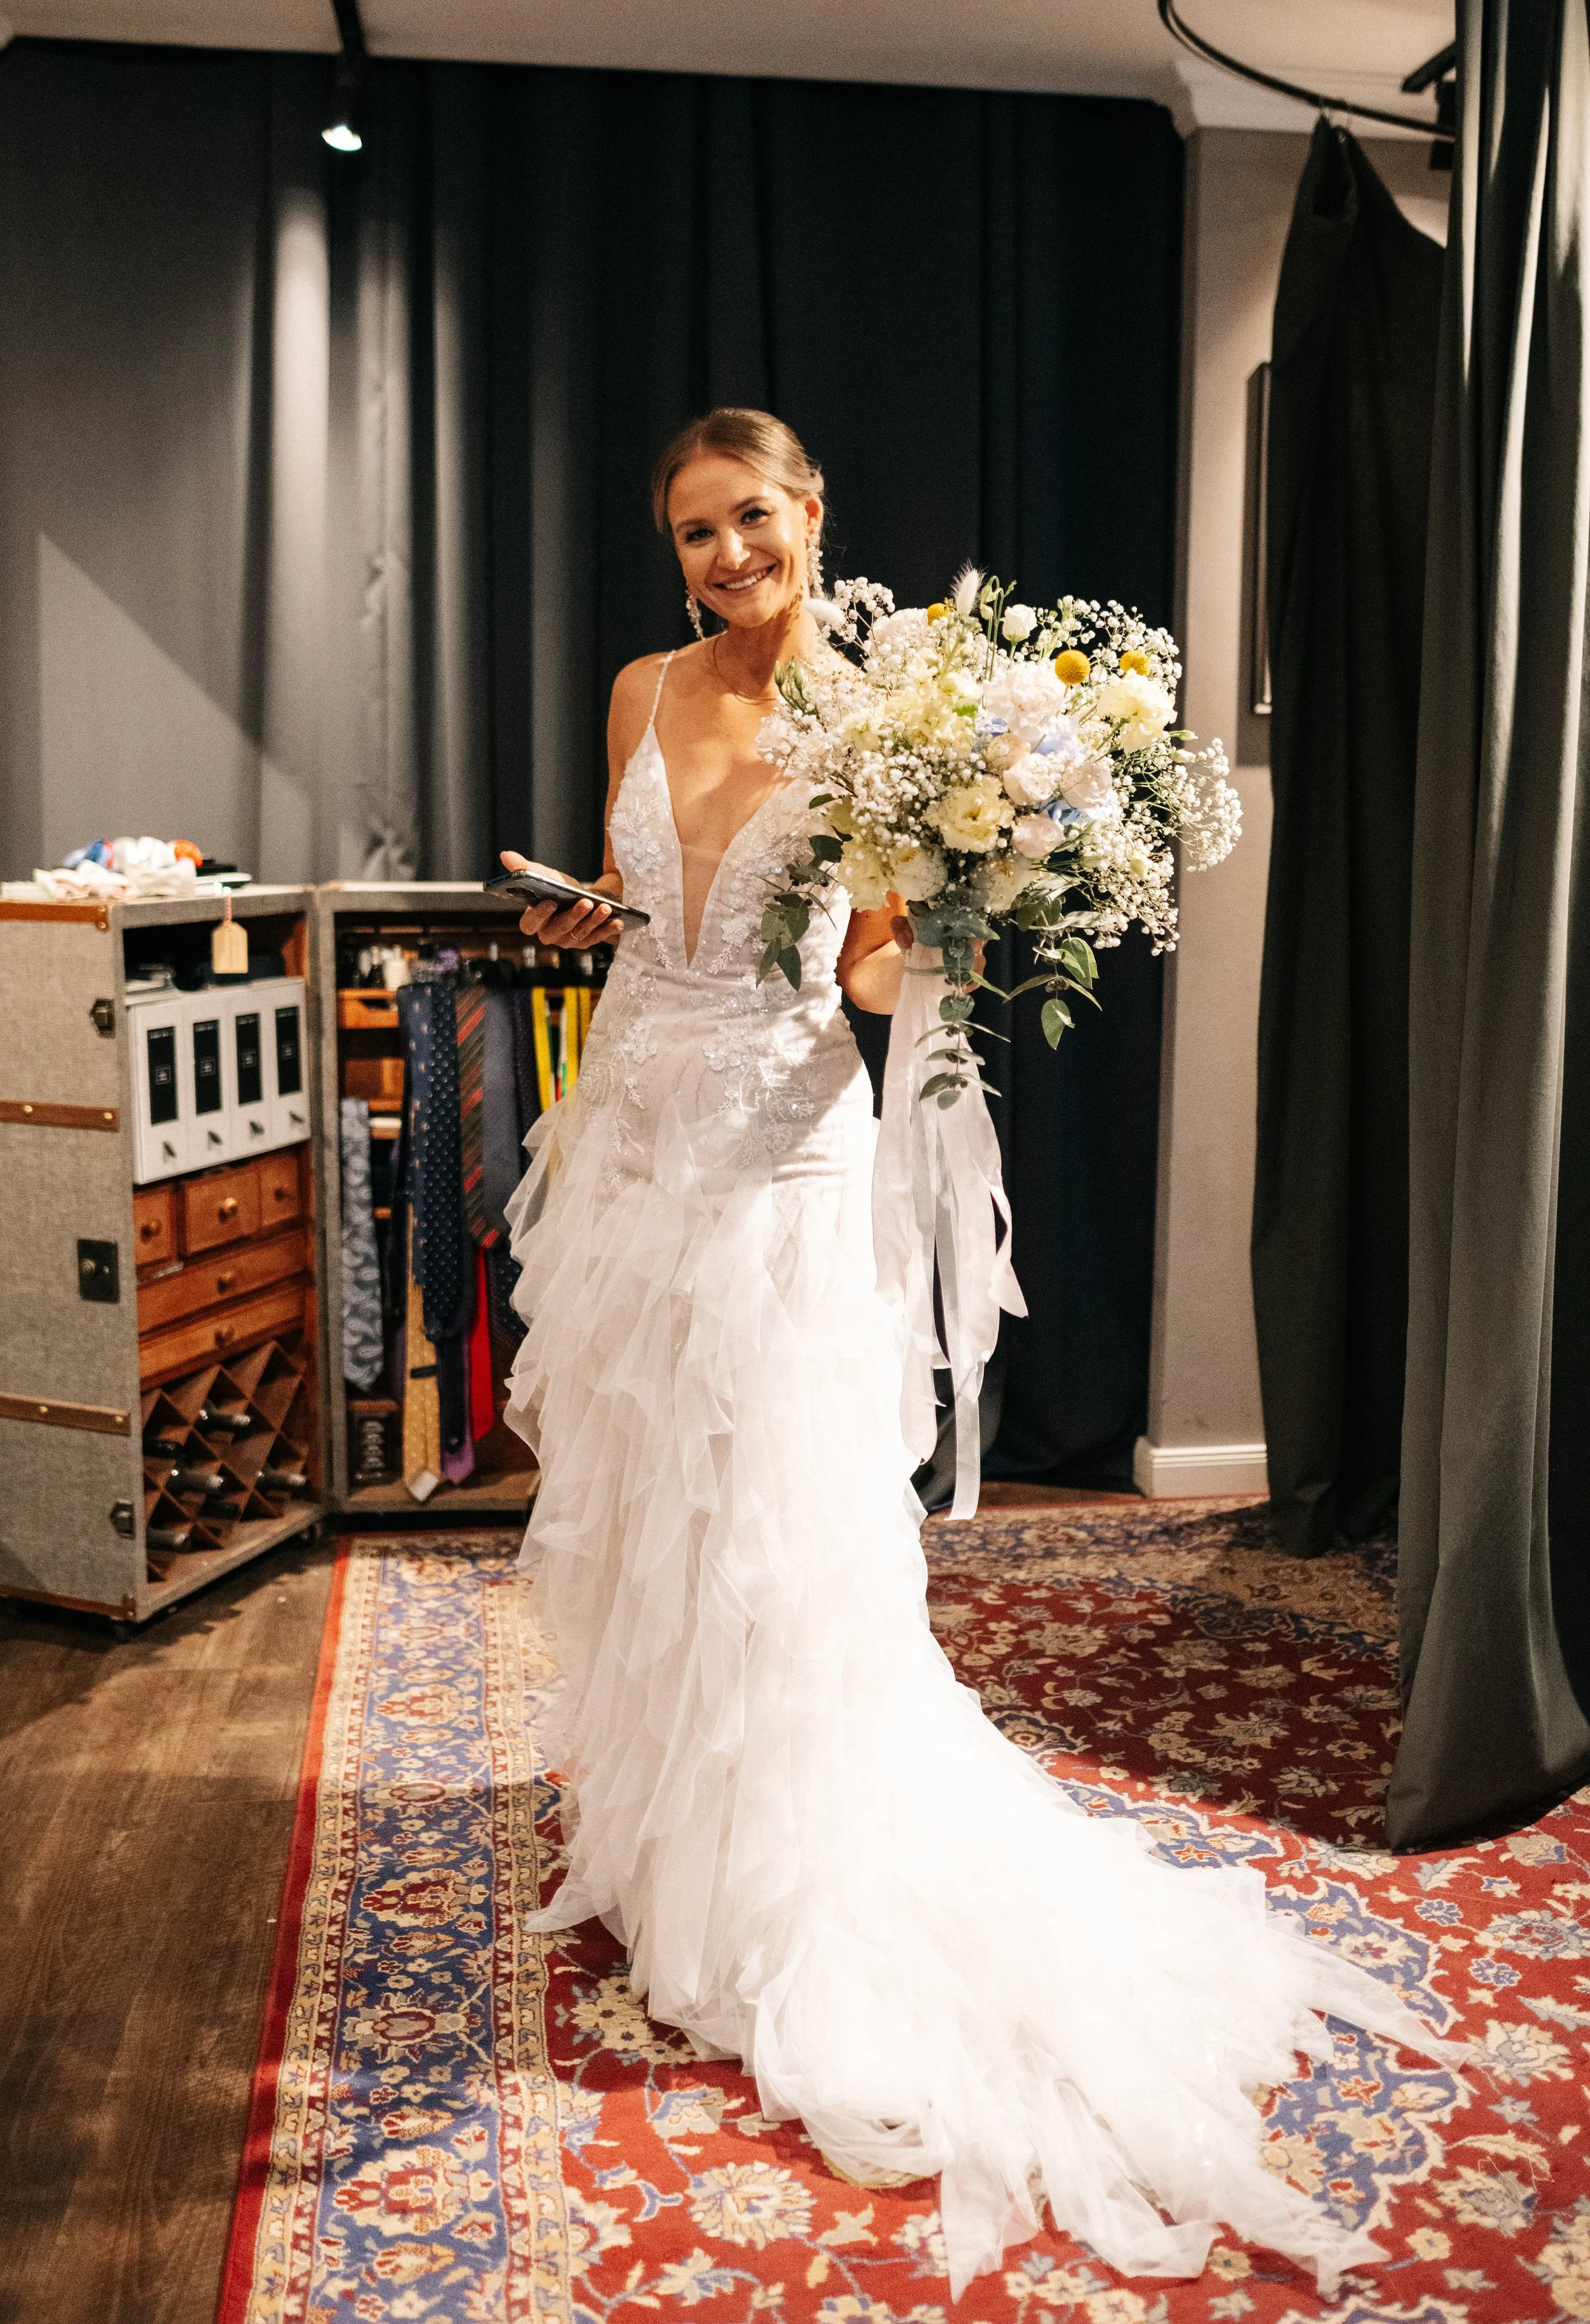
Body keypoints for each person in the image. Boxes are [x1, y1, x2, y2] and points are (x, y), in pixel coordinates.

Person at [498, 408, 1456, 2299]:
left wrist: (948, 910)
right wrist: (608, 912)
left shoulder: (887, 713)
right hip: (635, 1124)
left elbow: (859, 973)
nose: (724, 555)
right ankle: (677, 1830)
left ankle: (786, 1861)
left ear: (812, 509)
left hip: (784, 1147)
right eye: (693, 532)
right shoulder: (637, 690)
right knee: (652, 1488)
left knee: (774, 1516)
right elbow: (650, 913)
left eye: (750, 517)